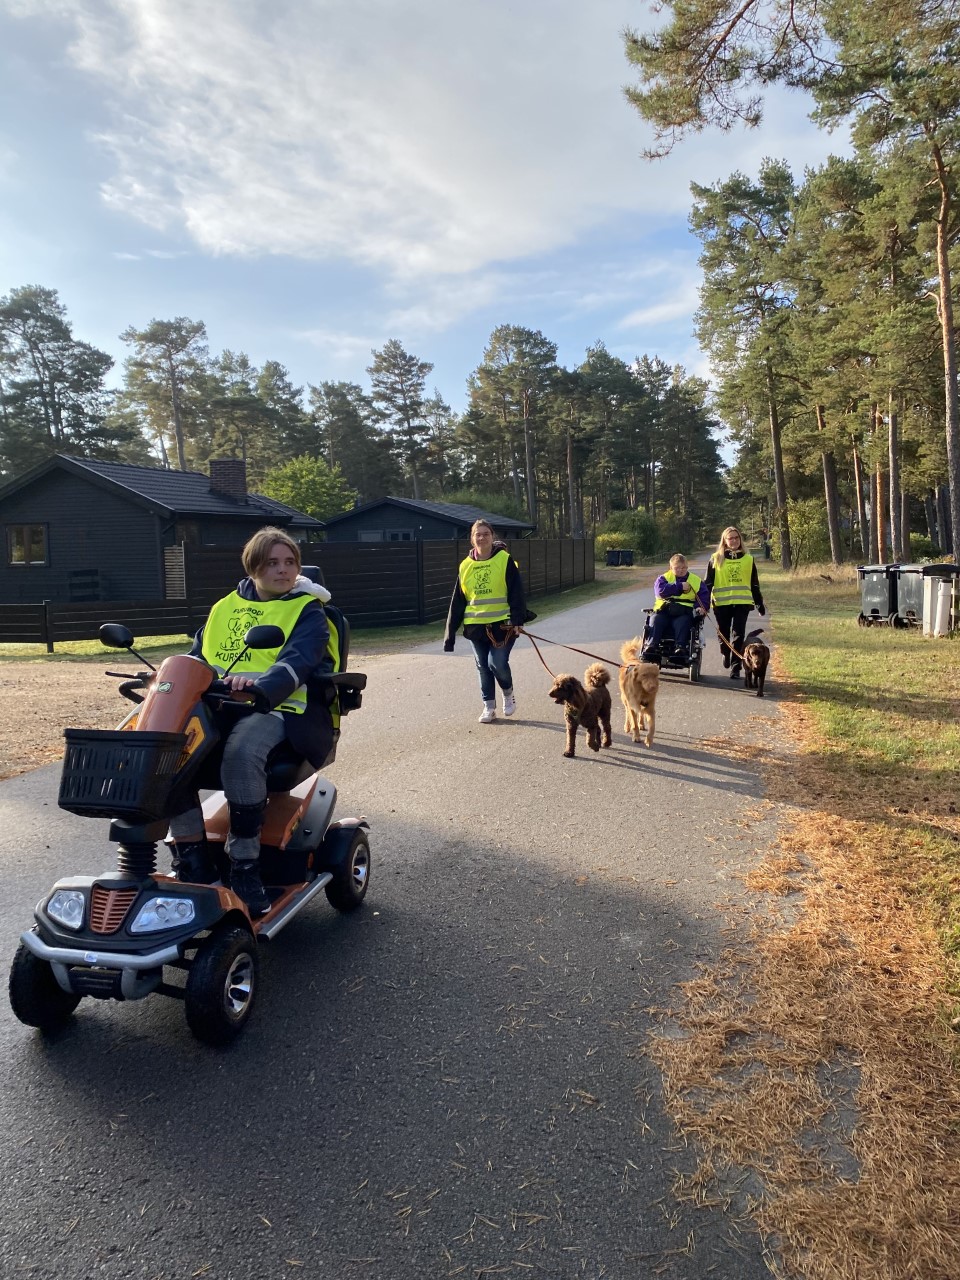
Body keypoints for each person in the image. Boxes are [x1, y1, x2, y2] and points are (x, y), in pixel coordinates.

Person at [168, 527, 335, 913]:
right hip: (220, 705)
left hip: (280, 707)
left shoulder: (308, 610)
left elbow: (298, 661)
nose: (284, 570)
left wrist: (260, 685)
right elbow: (197, 656)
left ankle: (244, 863)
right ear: (254, 566)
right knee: (169, 750)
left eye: (290, 562)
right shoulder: (223, 607)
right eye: (273, 563)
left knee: (242, 751)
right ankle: (194, 861)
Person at [443, 519, 528, 723]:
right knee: (482, 665)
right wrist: (450, 635)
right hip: (475, 628)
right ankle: (488, 707)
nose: (482, 537)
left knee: (497, 663)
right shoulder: (465, 566)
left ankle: (508, 694)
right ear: (472, 539)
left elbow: (517, 591)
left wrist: (518, 620)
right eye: (477, 534)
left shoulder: (504, 560)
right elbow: (458, 601)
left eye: (485, 534)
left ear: (492, 536)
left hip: (503, 625)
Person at [703, 526, 765, 680]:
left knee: (738, 635)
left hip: (742, 603)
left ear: (740, 539)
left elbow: (754, 584)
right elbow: (708, 583)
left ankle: (735, 667)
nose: (734, 541)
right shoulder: (715, 558)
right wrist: (703, 604)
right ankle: (725, 652)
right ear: (724, 540)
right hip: (721, 604)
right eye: (730, 538)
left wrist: (759, 603)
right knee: (723, 633)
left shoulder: (748, 559)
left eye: (736, 538)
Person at [643, 553, 709, 661]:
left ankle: (680, 649)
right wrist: (679, 587)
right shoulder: (663, 578)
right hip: (664, 610)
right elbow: (660, 591)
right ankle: (651, 647)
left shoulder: (696, 580)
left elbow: (704, 597)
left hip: (683, 611)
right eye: (677, 568)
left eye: (683, 568)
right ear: (671, 567)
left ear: (687, 567)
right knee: (655, 620)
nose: (681, 570)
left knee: (683, 623)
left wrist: (700, 607)